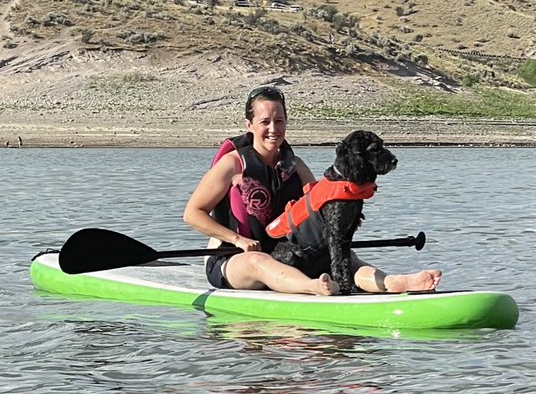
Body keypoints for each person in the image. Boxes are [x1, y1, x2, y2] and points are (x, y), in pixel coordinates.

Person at [183, 86, 442, 296]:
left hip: (286, 253)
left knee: (345, 256)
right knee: (259, 262)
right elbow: (192, 214)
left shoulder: (295, 166)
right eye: (265, 122)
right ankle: (313, 287)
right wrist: (238, 240)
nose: (273, 129)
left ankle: (392, 282)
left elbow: (319, 208)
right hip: (234, 258)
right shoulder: (231, 165)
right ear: (249, 124)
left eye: (279, 121)